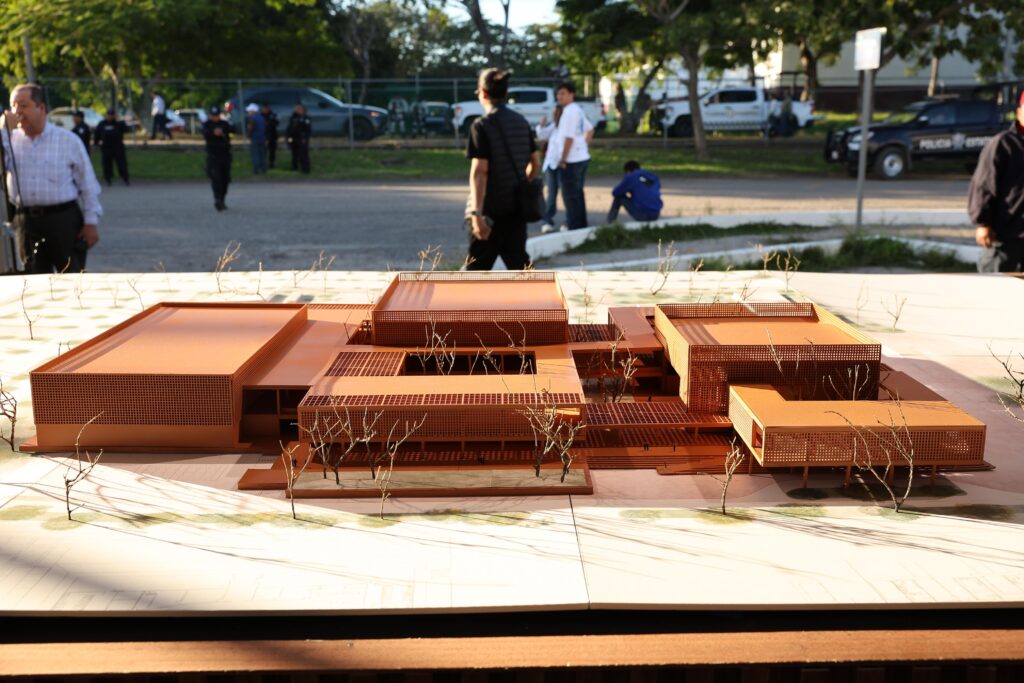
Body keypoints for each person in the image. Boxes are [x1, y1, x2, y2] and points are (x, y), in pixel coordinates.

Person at [1, 83, 103, 273]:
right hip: (25, 222)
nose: (17, 112)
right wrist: (3, 131)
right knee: (31, 281)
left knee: (72, 278)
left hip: (63, 221)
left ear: (41, 108)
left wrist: (91, 222)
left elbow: (87, 184)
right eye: (13, 106)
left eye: (23, 105)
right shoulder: (8, 140)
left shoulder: (68, 140)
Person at [465, 68, 540, 271]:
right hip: (516, 209)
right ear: (505, 93)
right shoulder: (521, 122)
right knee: (521, 268)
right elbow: (535, 163)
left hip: (489, 212)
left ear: (483, 92)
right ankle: (538, 293)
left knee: (475, 271)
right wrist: (523, 184)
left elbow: (480, 172)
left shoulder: (481, 125)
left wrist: (476, 214)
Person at [968, 90, 1024, 273]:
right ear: (1019, 112)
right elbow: (982, 185)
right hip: (1005, 237)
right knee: (994, 287)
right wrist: (983, 224)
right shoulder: (1003, 143)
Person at [537, 105, 595, 234]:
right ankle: (548, 220)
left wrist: (580, 148)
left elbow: (583, 133)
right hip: (552, 163)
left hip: (566, 163)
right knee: (552, 193)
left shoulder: (571, 120)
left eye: (558, 113)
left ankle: (570, 221)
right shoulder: (554, 127)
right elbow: (542, 135)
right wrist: (542, 125)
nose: (555, 116)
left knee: (568, 194)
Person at [554, 82, 591, 230]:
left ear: (571, 95)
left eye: (563, 93)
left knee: (570, 196)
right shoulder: (577, 110)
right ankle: (581, 225)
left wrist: (563, 159)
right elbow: (590, 129)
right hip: (581, 156)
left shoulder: (569, 112)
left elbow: (569, 138)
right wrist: (582, 146)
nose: (559, 96)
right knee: (577, 194)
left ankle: (574, 226)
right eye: (558, 94)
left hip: (572, 160)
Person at [202, 105, 233, 211]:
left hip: (225, 155)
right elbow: (205, 133)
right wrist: (213, 132)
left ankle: (222, 199)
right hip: (213, 156)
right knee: (216, 179)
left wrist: (223, 131)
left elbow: (233, 130)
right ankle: (217, 199)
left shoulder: (224, 124)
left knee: (225, 179)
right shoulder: (207, 124)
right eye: (213, 115)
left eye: (217, 115)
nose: (215, 117)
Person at [94, 109, 130, 186]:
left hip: (118, 147)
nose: (110, 116)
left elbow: (126, 129)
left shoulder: (119, 123)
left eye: (112, 115)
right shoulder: (102, 124)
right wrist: (96, 143)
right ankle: (108, 179)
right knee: (106, 164)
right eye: (109, 115)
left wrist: (118, 120)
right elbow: (97, 134)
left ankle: (125, 178)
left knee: (121, 163)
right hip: (106, 147)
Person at [287, 103, 312, 174]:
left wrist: (304, 138)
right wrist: (289, 138)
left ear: (303, 110)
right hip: (293, 138)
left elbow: (308, 130)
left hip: (302, 139)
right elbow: (289, 129)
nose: (298, 110)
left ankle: (305, 169)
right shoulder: (293, 117)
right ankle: (294, 167)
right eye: (297, 109)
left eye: (300, 109)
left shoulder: (306, 118)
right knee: (294, 153)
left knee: (303, 154)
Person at [245, 103, 267, 174]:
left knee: (255, 154)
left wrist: (249, 135)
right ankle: (263, 168)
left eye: (249, 111)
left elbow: (251, 128)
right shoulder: (262, 118)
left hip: (255, 138)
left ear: (253, 111)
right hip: (262, 138)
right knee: (262, 154)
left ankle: (256, 169)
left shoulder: (252, 119)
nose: (248, 113)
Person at [261, 102, 279, 169]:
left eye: (267, 108)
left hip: (272, 136)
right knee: (263, 151)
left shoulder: (272, 115)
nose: (266, 109)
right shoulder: (261, 116)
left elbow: (276, 123)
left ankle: (271, 163)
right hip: (264, 135)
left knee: (272, 151)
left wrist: (269, 123)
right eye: (264, 108)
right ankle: (263, 163)